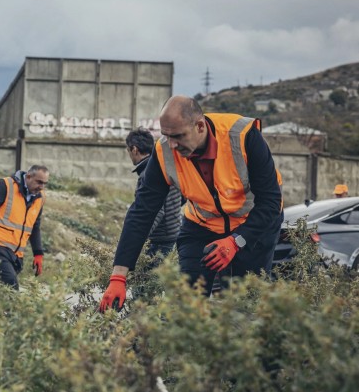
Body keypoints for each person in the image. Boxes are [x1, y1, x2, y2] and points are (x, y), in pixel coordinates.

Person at [100, 96, 284, 312]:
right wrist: (118, 277)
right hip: (202, 227)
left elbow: (271, 202)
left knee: (247, 304)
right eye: (167, 136)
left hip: (253, 226)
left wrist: (236, 241)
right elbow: (142, 211)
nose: (173, 145)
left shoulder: (243, 137)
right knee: (187, 302)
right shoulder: (164, 151)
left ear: (199, 126)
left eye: (178, 136)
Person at [0, 165, 48, 290]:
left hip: (15, 255)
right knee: (10, 290)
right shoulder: (6, 186)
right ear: (28, 176)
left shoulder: (40, 197)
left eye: (44, 183)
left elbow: (35, 226)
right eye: (39, 182)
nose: (41, 187)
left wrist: (38, 254)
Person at [125, 128, 182, 259]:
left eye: (128, 150)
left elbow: (154, 211)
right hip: (173, 234)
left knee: (150, 278)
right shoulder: (166, 167)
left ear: (134, 149)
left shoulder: (147, 175)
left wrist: (137, 240)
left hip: (160, 241)